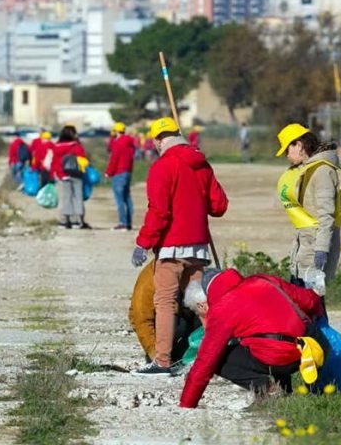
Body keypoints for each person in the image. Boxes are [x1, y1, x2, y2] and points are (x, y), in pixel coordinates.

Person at [131, 116, 228, 375]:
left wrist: (143, 243)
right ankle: (216, 355)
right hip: (198, 247)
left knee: (164, 302)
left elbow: (159, 211)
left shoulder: (163, 166)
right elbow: (219, 206)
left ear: (158, 140)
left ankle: (162, 361)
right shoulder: (202, 164)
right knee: (198, 302)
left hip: (171, 248)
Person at [179, 268, 325, 408]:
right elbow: (310, 300)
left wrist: (187, 403)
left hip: (274, 358)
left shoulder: (221, 308)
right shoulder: (264, 280)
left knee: (219, 358)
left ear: (209, 293)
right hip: (304, 352)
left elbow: (205, 361)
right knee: (274, 338)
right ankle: (291, 391)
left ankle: (265, 388)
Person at [275, 123, 341, 286]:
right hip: (305, 249)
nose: (286, 156)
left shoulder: (322, 172)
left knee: (314, 306)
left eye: (287, 150)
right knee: (303, 306)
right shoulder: (306, 170)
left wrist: (322, 250)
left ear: (299, 145)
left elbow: (326, 215)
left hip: (315, 251)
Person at [128, 261, 200, 367]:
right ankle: (168, 356)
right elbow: (141, 320)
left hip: (183, 315)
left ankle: (192, 355)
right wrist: (155, 355)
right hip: (162, 326)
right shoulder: (150, 280)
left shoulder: (192, 268)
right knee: (174, 322)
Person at [52, 125, 89, 229]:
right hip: (76, 174)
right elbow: (83, 159)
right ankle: (77, 221)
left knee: (65, 198)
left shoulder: (56, 146)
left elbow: (54, 162)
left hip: (63, 175)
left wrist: (59, 174)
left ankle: (65, 221)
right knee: (78, 197)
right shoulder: (76, 146)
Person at [105, 121, 136, 231]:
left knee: (119, 199)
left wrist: (108, 172)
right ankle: (128, 223)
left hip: (118, 173)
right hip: (127, 172)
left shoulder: (118, 143)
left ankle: (122, 223)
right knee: (127, 198)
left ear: (115, 131)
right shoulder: (129, 142)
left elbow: (114, 159)